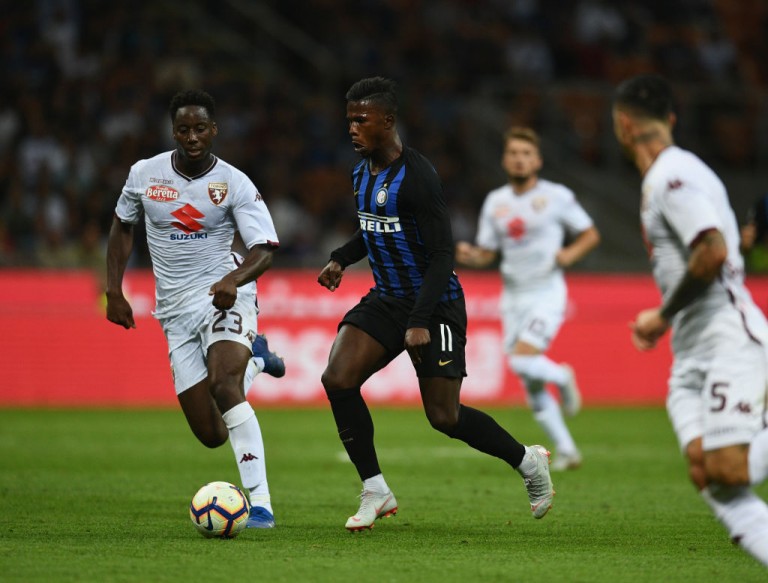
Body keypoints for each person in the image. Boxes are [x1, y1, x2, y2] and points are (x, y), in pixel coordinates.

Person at [317, 76, 555, 532]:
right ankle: (375, 489)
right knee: (337, 378)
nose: (352, 128)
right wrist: (341, 258)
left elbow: (443, 254)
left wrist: (421, 319)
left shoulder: (418, 177)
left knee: (444, 417)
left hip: (435, 302)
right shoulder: (360, 171)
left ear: (388, 121)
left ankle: (527, 460)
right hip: (387, 298)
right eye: (349, 120)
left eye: (361, 120)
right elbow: (373, 227)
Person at [106, 89, 281, 529]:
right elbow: (122, 226)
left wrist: (233, 280)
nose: (192, 137)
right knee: (211, 434)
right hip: (174, 311)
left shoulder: (234, 183)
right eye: (184, 129)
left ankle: (261, 503)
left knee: (224, 384)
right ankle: (258, 360)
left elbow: (264, 250)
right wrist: (113, 290)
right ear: (173, 131)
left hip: (224, 294)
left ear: (214, 130)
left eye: (200, 128)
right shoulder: (144, 175)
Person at [612, 74, 768, 567]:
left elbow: (712, 252)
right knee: (706, 472)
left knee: (728, 470)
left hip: (727, 335)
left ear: (623, 125)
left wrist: (662, 314)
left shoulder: (671, 176)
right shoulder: (670, 175)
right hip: (692, 350)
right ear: (671, 119)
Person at [455, 127, 600, 471]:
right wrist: (471, 255)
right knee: (531, 383)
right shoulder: (496, 202)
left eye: (526, 153)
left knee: (521, 361)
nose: (519, 159)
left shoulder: (556, 196)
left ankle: (562, 377)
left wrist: (569, 254)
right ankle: (567, 450)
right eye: (513, 153)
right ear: (505, 160)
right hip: (513, 296)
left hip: (546, 292)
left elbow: (590, 233)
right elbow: (488, 252)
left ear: (537, 161)